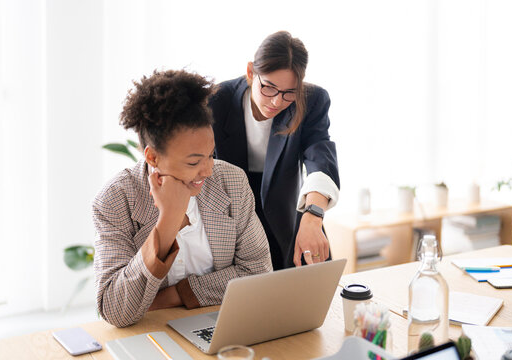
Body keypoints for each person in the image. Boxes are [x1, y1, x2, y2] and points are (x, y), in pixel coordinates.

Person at [92, 69, 272, 327]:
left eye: (211, 154)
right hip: (150, 335)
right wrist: (168, 222)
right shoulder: (115, 200)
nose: (208, 170)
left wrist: (175, 295)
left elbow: (258, 274)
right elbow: (115, 309)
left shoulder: (231, 182)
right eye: (194, 161)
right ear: (152, 157)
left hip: (223, 326)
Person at [210, 31, 340, 270]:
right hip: (230, 220)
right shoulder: (217, 100)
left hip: (285, 214)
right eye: (268, 87)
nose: (277, 102)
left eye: (289, 92)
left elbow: (320, 158)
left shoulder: (312, 100)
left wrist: (314, 215)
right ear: (251, 73)